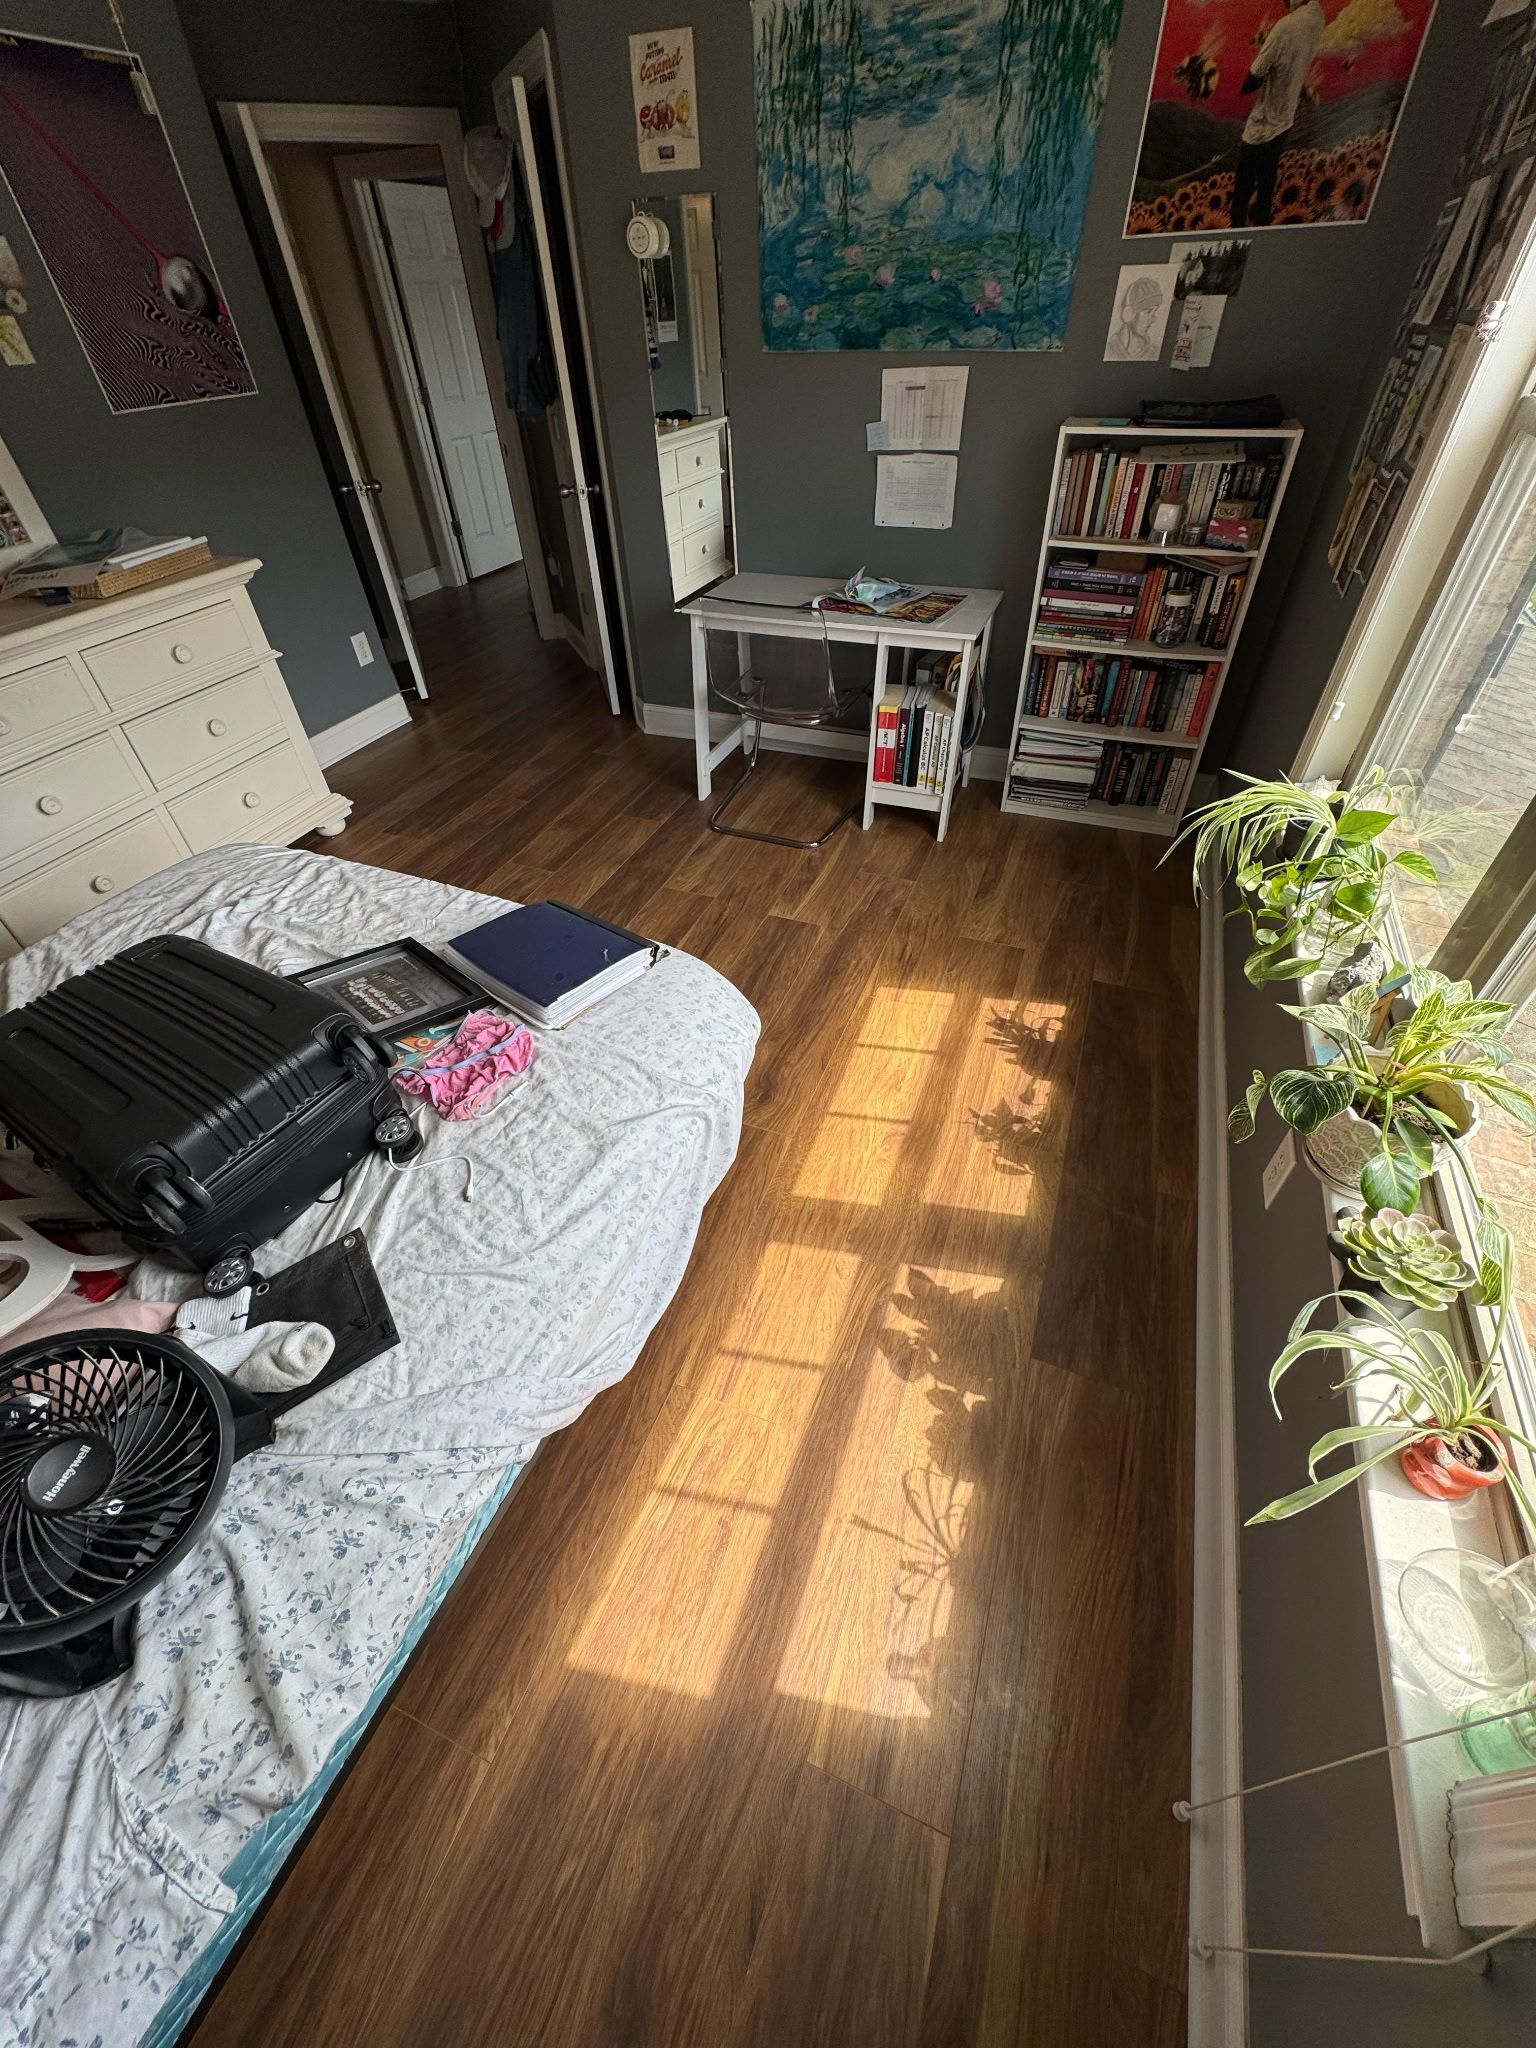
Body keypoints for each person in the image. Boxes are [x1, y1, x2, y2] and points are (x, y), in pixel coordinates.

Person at [1230, 0, 1326, 228]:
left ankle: (1236, 234)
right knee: (1267, 183)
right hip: (1285, 118)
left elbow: (1252, 79)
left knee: (1243, 187)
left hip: (1263, 123)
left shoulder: (1285, 26)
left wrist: (1267, 48)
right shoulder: (1317, 17)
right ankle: (1261, 226)